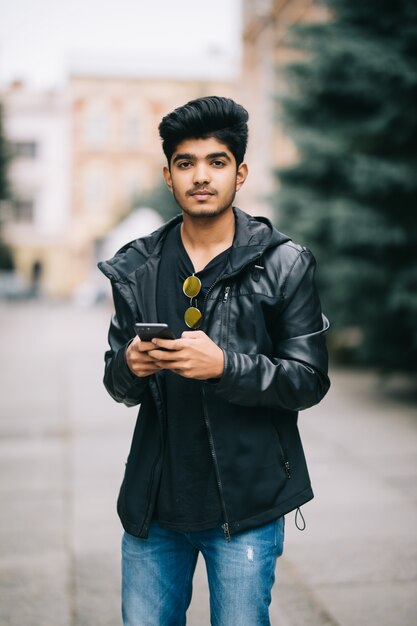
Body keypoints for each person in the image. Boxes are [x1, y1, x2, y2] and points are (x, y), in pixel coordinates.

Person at [98, 96, 330, 626]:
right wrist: (130, 364)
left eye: (216, 162)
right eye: (186, 163)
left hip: (246, 506)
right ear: (168, 175)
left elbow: (310, 379)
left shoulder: (284, 263)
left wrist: (226, 366)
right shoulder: (136, 267)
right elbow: (117, 383)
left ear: (240, 172)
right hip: (154, 506)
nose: (201, 176)